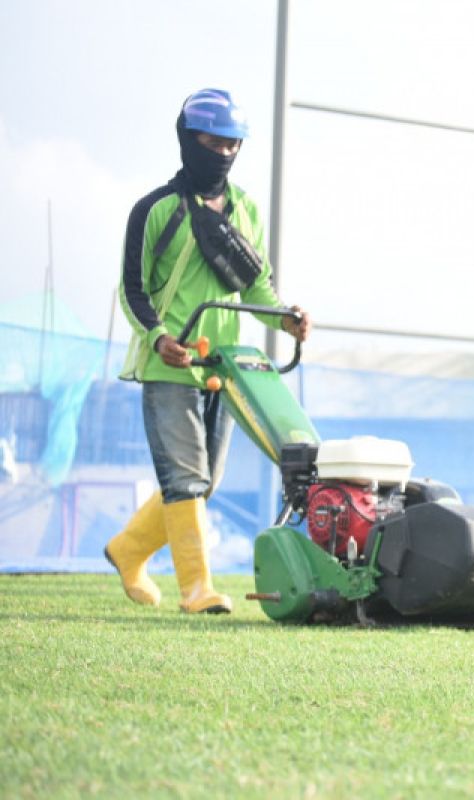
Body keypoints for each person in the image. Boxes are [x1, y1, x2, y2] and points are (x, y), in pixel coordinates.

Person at [105, 88, 311, 614]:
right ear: (186, 138)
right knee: (186, 479)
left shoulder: (246, 210)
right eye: (210, 142)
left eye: (231, 144)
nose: (221, 153)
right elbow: (133, 290)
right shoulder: (154, 210)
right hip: (169, 364)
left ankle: (127, 550)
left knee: (205, 482)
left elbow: (257, 285)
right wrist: (159, 339)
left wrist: (286, 316)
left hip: (226, 368)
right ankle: (197, 589)